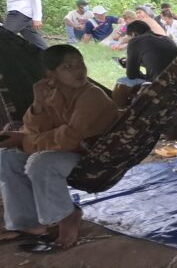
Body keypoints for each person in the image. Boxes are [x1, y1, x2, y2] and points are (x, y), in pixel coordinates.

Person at [0, 45, 119, 247]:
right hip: (65, 151)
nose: (78, 71)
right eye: (68, 67)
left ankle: (66, 216)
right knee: (7, 157)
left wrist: (24, 141)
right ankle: (28, 223)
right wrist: (37, 104)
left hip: (93, 155)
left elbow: (70, 138)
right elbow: (34, 130)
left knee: (41, 163)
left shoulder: (92, 95)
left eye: (80, 64)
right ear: (51, 73)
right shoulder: (52, 94)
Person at [110, 20, 177, 107]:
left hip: (159, 86)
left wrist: (128, 65)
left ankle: (121, 114)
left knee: (121, 82)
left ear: (133, 34)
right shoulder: (167, 39)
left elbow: (132, 75)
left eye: (129, 37)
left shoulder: (135, 41)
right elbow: (158, 61)